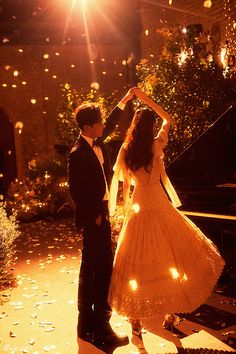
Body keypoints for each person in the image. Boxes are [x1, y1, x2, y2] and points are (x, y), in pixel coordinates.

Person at [108, 87, 225, 335]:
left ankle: (136, 321)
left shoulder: (126, 150)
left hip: (139, 205)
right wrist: (146, 99)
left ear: (133, 126)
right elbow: (168, 119)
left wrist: (125, 210)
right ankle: (169, 314)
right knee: (171, 255)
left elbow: (125, 185)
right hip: (159, 202)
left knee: (138, 262)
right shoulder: (155, 145)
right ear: (150, 127)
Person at [67, 89, 134, 347]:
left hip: (101, 215)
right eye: (99, 123)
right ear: (87, 127)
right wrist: (95, 215)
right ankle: (102, 330)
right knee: (102, 271)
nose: (104, 125)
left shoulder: (95, 141)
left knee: (90, 271)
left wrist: (125, 100)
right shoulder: (77, 152)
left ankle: (86, 326)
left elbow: (113, 121)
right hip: (95, 219)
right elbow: (77, 190)